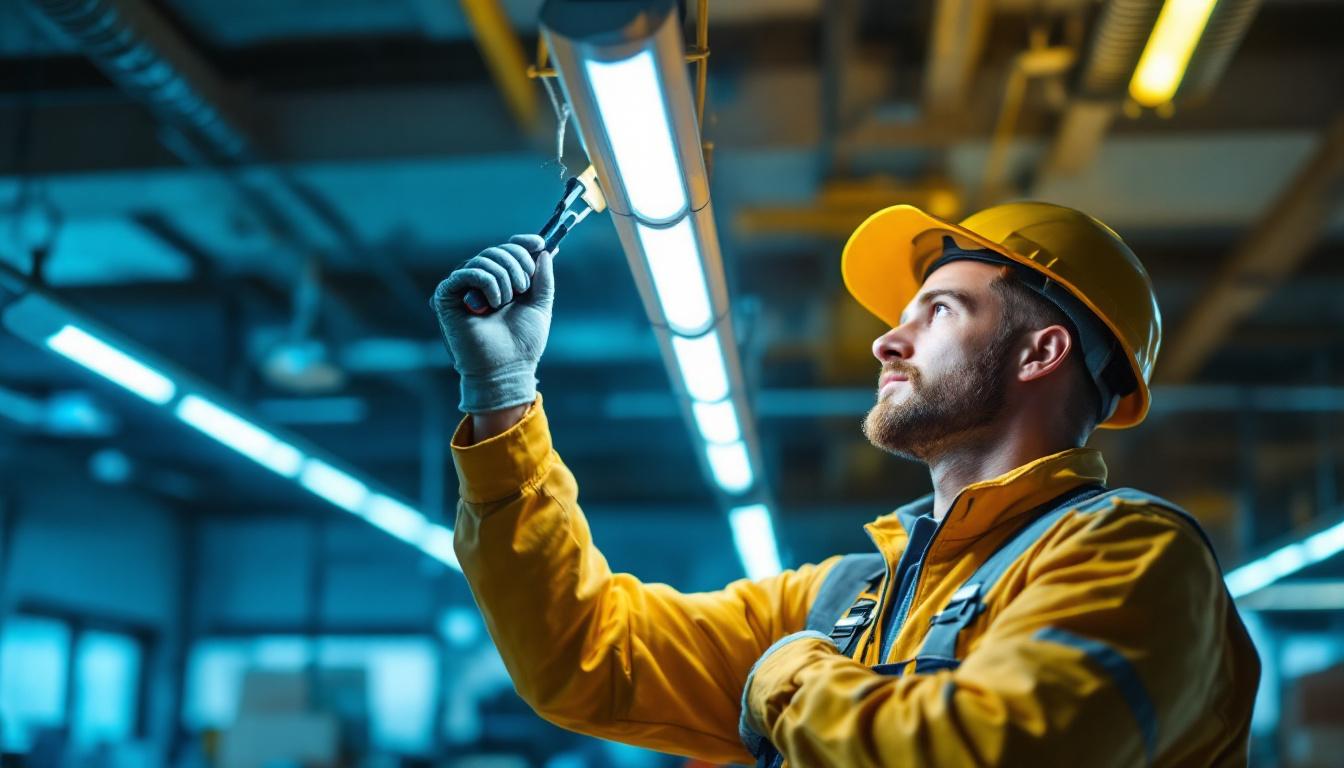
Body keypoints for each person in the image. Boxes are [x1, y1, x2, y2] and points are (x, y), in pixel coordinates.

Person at [431, 202, 1260, 766]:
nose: (885, 343)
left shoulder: (1134, 553)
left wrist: (790, 678)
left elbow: (999, 750)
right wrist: (503, 402)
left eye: (937, 311)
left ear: (1039, 353)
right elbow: (588, 654)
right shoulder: (849, 598)